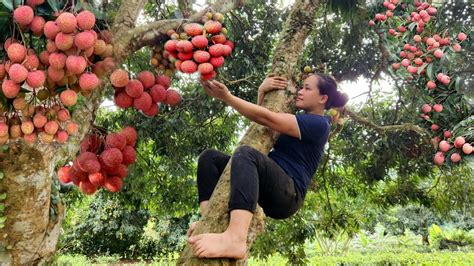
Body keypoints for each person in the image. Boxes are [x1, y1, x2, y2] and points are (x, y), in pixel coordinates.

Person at [187, 72, 348, 259]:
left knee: (246, 154)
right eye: (301, 87)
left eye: (307, 88)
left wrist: (227, 97)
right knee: (210, 158)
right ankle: (209, 220)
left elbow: (267, 118)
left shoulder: (320, 124)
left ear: (323, 98)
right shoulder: (300, 120)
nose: (300, 92)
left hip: (288, 194)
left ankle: (235, 239)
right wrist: (261, 92)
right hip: (268, 182)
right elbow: (263, 128)